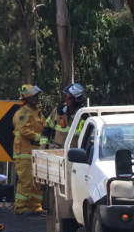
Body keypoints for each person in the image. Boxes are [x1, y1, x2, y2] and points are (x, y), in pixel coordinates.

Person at [12, 84, 45, 215]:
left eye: (37, 96)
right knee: (26, 181)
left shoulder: (37, 112)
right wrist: (40, 138)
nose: (36, 98)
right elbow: (23, 130)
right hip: (24, 153)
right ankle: (21, 208)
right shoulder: (23, 112)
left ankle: (35, 206)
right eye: (34, 96)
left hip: (36, 152)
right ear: (27, 97)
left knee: (37, 181)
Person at [44, 83, 85, 149]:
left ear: (76, 99)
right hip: (55, 153)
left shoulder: (84, 115)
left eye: (68, 98)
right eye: (65, 96)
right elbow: (46, 129)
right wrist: (43, 149)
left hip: (73, 154)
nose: (65, 100)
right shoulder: (58, 111)